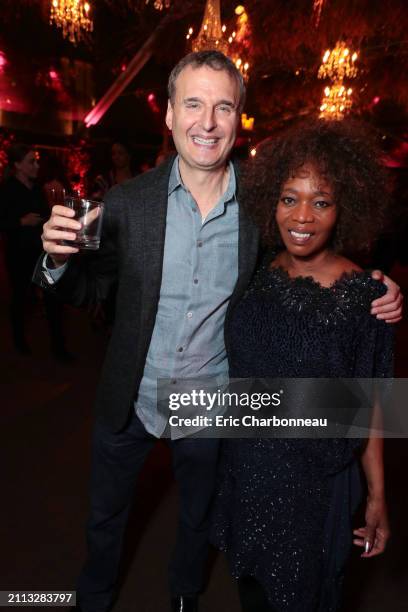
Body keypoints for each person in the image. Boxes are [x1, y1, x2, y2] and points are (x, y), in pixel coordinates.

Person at [33, 52, 401, 612]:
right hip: (131, 394)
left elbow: (311, 246)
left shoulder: (261, 205)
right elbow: (91, 291)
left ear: (238, 118)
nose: (207, 122)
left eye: (222, 106)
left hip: (210, 399)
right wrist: (57, 261)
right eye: (194, 104)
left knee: (198, 512)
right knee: (106, 516)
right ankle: (94, 598)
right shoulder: (128, 204)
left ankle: (186, 592)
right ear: (171, 115)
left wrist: (375, 285)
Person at [211, 119, 395, 612]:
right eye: (290, 198)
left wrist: (377, 495)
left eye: (322, 201)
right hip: (249, 474)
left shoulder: (365, 296)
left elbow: (372, 405)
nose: (303, 216)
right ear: (271, 200)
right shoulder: (256, 272)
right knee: (252, 595)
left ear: (344, 209)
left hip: (313, 491)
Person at [0, 144, 70, 360]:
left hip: (41, 253)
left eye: (37, 161)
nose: (36, 166)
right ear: (17, 165)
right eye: (31, 161)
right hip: (19, 254)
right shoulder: (7, 189)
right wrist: (21, 221)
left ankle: (59, 348)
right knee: (21, 298)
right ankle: (19, 341)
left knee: (52, 298)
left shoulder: (37, 188)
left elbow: (45, 216)